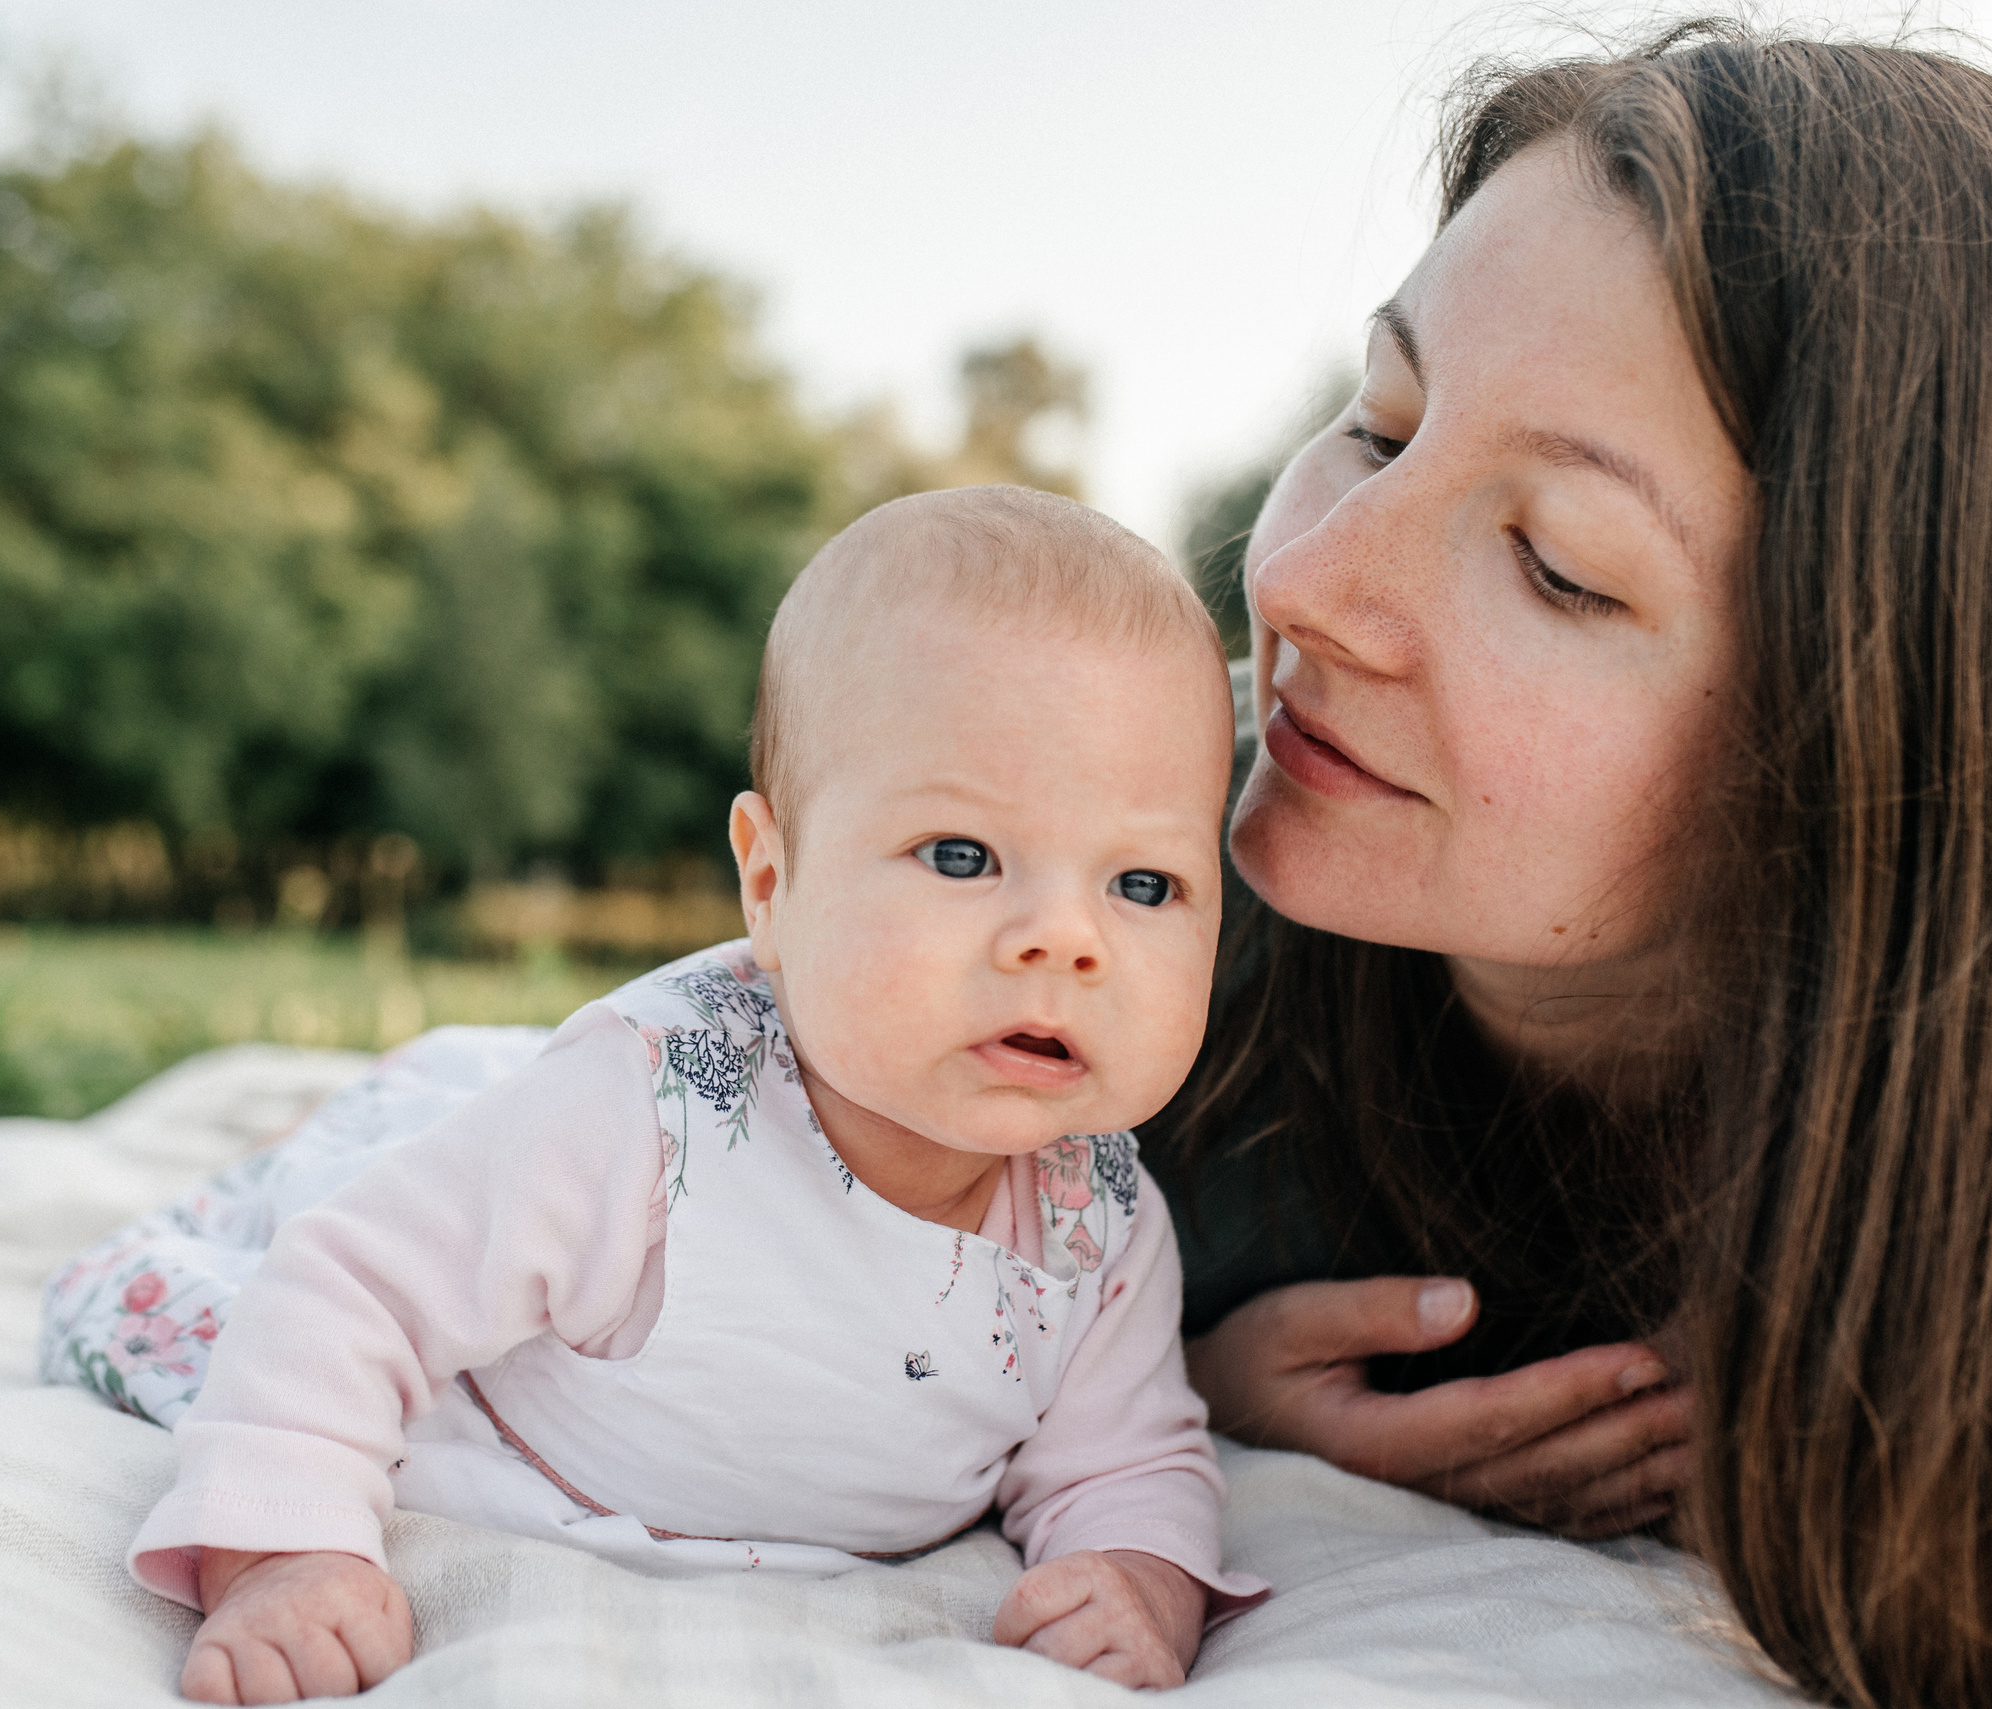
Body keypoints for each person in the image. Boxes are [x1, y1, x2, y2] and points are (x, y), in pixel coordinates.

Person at [1147, 25, 1992, 1708]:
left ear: (1872, 751)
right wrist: (1167, 1389)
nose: (1304, 578)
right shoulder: (1112, 889)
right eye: (1381, 428)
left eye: (1556, 567)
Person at [77, 485, 1264, 1703]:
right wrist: (284, 1556)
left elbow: (1127, 1457)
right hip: (507, 1370)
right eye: (962, 856)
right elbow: (349, 1293)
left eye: (1144, 884)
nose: (1064, 940)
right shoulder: (652, 1119)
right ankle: (354, 1117)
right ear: (769, 881)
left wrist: (1139, 1576)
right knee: (348, 1185)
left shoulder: (1098, 1222)